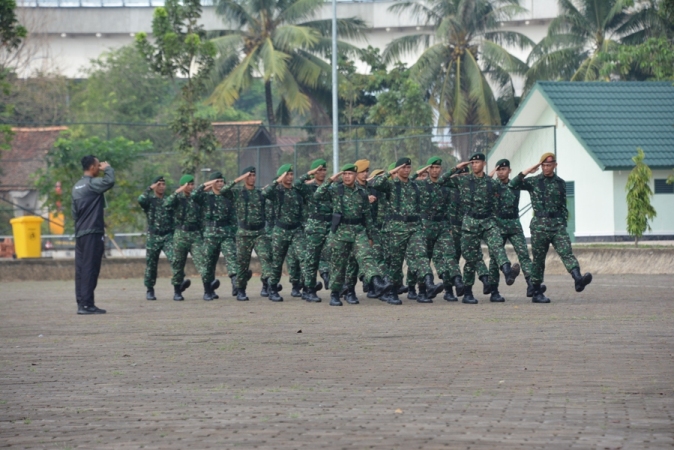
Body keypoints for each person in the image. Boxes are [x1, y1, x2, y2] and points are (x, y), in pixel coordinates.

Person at [509, 152, 592, 303]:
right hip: (539, 227)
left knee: (566, 252)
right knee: (539, 260)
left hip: (557, 226)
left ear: (555, 165)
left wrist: (563, 222)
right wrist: (528, 171)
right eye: (544, 165)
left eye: (549, 165)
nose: (546, 168)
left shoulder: (560, 183)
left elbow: (563, 205)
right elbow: (512, 184)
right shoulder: (534, 181)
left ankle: (578, 279)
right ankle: (536, 291)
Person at [445, 153, 521, 304]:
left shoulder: (491, 183)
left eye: (477, 162)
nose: (474, 165)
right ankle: (468, 293)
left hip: (487, 221)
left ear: (484, 164)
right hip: (470, 223)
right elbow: (442, 181)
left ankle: (507, 271)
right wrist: (456, 168)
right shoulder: (464, 180)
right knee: (471, 259)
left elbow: (500, 200)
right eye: (472, 163)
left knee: (497, 245)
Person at [314, 164, 393, 306]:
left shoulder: (362, 193)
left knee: (366, 256)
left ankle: (376, 282)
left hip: (358, 231)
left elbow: (367, 216)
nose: (347, 176)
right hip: (341, 231)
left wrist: (371, 236)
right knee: (339, 264)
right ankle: (335, 293)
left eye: (350, 174)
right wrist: (330, 180)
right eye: (344, 174)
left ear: (355, 175)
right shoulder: (336, 190)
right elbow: (317, 195)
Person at [371, 157, 444, 305]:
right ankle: (392, 292)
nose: (406, 170)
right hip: (396, 229)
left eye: (408, 167)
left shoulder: (415, 185)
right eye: (403, 167)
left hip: (414, 228)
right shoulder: (391, 185)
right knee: (395, 262)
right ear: (397, 169)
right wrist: (390, 172)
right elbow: (375, 183)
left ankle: (428, 285)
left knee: (421, 256)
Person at [488, 159, 546, 301]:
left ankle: (531, 285)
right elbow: (483, 182)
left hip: (514, 223)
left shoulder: (516, 183)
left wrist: (533, 170)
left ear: (509, 170)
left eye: (504, 169)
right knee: (495, 258)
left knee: (524, 254)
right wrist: (491, 172)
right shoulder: (493, 185)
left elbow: (525, 178)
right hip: (498, 224)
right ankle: (494, 291)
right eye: (498, 170)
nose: (501, 172)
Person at [220, 167, 277, 301]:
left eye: (253, 175)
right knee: (242, 263)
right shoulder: (238, 193)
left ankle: (271, 287)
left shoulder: (260, 193)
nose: (252, 178)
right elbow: (223, 191)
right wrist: (238, 179)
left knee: (267, 258)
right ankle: (241, 290)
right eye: (249, 175)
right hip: (244, 233)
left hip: (260, 232)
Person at [414, 157, 465, 301]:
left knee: (449, 254)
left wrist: (449, 227)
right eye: (432, 168)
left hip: (441, 226)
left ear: (441, 169)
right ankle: (422, 291)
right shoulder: (421, 185)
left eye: (437, 168)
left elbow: (448, 208)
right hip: (425, 225)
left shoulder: (446, 187)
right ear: (428, 169)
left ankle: (456, 283)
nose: (435, 170)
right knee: (424, 258)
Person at [71, 155, 115, 315]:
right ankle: (87, 305)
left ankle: (81, 303)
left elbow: (74, 214)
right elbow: (109, 181)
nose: (99, 168)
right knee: (91, 268)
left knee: (81, 269)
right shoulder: (92, 184)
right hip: (93, 233)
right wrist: (108, 169)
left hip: (80, 233)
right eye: (98, 166)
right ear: (91, 167)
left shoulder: (76, 187)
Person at [446, 166, 491, 300]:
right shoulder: (449, 189)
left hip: (469, 227)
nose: (464, 178)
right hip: (454, 227)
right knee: (452, 258)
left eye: (466, 175)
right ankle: (450, 289)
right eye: (461, 175)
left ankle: (484, 279)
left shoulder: (472, 190)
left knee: (475, 255)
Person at [262, 164, 304, 302]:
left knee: (303, 257)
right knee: (277, 262)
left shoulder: (296, 191)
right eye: (287, 174)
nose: (290, 177)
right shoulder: (276, 192)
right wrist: (277, 181)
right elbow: (265, 193)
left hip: (296, 230)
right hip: (280, 230)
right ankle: (273, 289)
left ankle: (307, 287)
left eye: (291, 174)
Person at [195, 171, 238, 300]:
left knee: (232, 257)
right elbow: (194, 195)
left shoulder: (228, 197)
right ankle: (208, 291)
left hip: (226, 233)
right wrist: (206, 184)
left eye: (221, 181)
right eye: (217, 181)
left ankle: (236, 284)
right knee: (208, 263)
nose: (220, 184)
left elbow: (233, 218)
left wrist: (233, 233)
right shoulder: (205, 197)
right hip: (210, 234)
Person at [294, 159, 332, 302]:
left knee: (332, 254)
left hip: (330, 225)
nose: (321, 173)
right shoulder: (308, 188)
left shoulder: (330, 187)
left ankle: (335, 284)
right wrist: (309, 173)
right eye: (319, 170)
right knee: (312, 259)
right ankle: (309, 289)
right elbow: (296, 184)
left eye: (323, 170)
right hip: (315, 226)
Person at [164, 174, 204, 301]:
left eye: (192, 184)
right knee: (178, 264)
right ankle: (177, 291)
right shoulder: (177, 198)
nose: (191, 187)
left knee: (202, 261)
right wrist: (178, 191)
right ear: (182, 186)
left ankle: (208, 290)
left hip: (195, 234)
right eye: (188, 185)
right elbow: (166, 204)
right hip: (181, 234)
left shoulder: (195, 198)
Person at [138, 175, 174, 301]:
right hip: (153, 236)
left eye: (163, 184)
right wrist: (149, 188)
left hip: (168, 235)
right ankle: (150, 289)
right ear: (154, 186)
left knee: (175, 259)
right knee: (151, 264)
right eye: (159, 184)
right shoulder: (149, 200)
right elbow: (141, 199)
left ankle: (178, 286)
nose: (162, 187)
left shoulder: (168, 200)